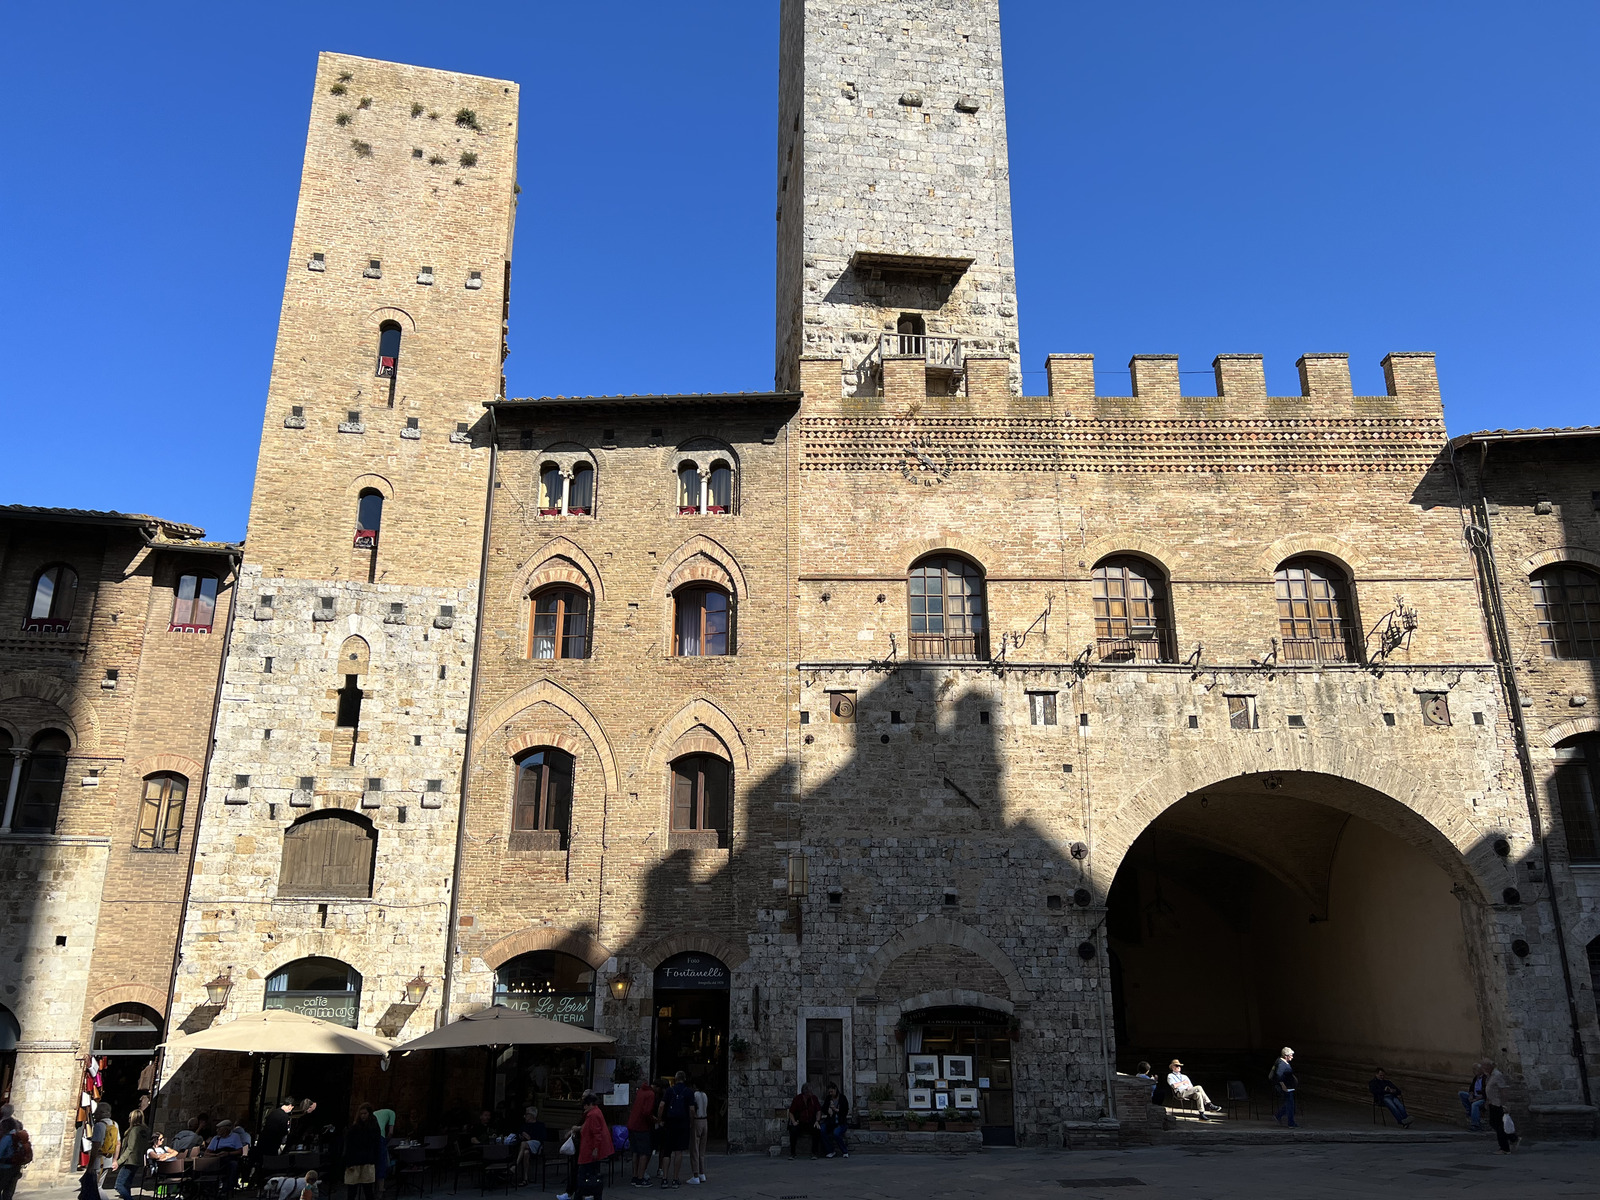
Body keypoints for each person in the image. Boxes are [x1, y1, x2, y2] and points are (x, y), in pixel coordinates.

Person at [569, 1091, 612, 1200]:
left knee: (583, 1174)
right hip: (589, 1148)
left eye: (585, 1106)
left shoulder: (593, 1115)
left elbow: (596, 1133)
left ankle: (582, 1195)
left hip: (588, 1149)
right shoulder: (596, 1112)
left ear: (588, 1105)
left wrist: (595, 1149)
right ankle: (590, 1194)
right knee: (590, 1173)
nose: (584, 1108)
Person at [659, 1071, 694, 1188]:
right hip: (682, 1123)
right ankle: (675, 1178)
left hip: (670, 1123)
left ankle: (664, 1178)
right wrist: (691, 1122)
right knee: (678, 1151)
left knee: (667, 1151)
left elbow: (661, 1105)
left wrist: (660, 1119)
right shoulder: (688, 1092)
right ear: (684, 1079)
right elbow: (692, 1109)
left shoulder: (669, 1090)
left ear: (675, 1079)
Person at [343, 1108, 382, 1200]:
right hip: (355, 1161)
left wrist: (375, 1160)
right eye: (361, 1114)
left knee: (368, 1190)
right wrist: (348, 1162)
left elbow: (376, 1144)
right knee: (352, 1190)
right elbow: (349, 1145)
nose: (363, 1116)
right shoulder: (354, 1128)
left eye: (365, 1113)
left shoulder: (374, 1127)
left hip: (368, 1160)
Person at [626, 1077, 658, 1187]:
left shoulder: (640, 1092)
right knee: (644, 1152)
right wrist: (654, 1120)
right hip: (641, 1126)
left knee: (635, 1151)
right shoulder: (650, 1094)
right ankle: (640, 1177)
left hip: (632, 1124)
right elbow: (646, 1112)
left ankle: (635, 1176)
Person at [114, 1111, 152, 1200]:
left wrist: (118, 1162)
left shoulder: (134, 1130)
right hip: (138, 1160)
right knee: (127, 1184)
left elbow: (130, 1148)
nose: (129, 1120)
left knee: (119, 1185)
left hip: (130, 1161)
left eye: (130, 1118)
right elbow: (146, 1146)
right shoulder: (145, 1131)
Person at [1484, 1059, 1519, 1154]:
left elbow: (1503, 1090)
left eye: (1485, 1066)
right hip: (1492, 1103)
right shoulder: (1489, 1076)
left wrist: (1504, 1104)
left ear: (1491, 1066)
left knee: (1499, 1126)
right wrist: (1487, 1101)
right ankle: (1513, 1138)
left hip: (1498, 1104)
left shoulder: (1497, 1075)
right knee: (1494, 1124)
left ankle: (1505, 1148)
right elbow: (1490, 1089)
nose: (1484, 1068)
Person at [206, 1120, 246, 1195]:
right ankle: (210, 1188)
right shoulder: (216, 1139)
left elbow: (240, 1151)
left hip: (230, 1157)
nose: (217, 1131)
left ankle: (228, 1188)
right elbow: (207, 1153)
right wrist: (215, 1155)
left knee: (233, 1165)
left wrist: (228, 1153)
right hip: (217, 1158)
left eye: (219, 1129)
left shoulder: (235, 1137)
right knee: (207, 1165)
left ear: (226, 1129)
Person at [514, 1107, 548, 1186]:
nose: (524, 1116)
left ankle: (515, 1165)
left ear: (532, 1115)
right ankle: (525, 1179)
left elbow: (542, 1138)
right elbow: (518, 1135)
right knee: (526, 1153)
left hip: (537, 1145)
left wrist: (530, 1137)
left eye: (526, 1114)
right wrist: (521, 1136)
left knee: (523, 1144)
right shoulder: (524, 1125)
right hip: (527, 1146)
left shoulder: (540, 1125)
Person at [787, 1083, 822, 1158]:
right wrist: (794, 1122)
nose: (811, 1093)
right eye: (810, 1092)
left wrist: (817, 1121)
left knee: (817, 1130)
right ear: (805, 1093)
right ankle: (792, 1153)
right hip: (800, 1122)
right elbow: (791, 1112)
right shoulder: (797, 1099)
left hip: (810, 1122)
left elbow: (818, 1110)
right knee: (793, 1131)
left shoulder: (814, 1098)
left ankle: (814, 1153)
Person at [92, 1103, 120, 1185]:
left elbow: (96, 1145)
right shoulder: (115, 1124)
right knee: (99, 1187)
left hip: (98, 1160)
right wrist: (115, 1160)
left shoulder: (99, 1125)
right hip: (108, 1160)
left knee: (94, 1188)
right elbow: (118, 1143)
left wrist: (90, 1164)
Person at [0, 1111, 26, 1200]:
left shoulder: (7, 1137)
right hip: (16, 1168)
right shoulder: (20, 1136)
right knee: (8, 1193)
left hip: (4, 1168)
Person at [1270, 1048, 1298, 1128]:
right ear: (1286, 1056)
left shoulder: (1285, 1062)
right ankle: (1290, 1123)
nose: (1292, 1057)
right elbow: (1279, 1076)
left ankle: (1278, 1115)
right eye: (1291, 1055)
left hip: (1289, 1086)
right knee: (1290, 1104)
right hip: (1285, 1087)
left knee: (1290, 1104)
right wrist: (1283, 1086)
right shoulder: (1282, 1064)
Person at [687, 1080, 709, 1186]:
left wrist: (691, 1122)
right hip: (705, 1121)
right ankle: (702, 1172)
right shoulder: (705, 1095)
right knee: (702, 1150)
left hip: (697, 1120)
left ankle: (695, 1175)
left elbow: (692, 1110)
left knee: (694, 1149)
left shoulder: (694, 1095)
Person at [822, 1082, 849, 1159]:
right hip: (830, 1122)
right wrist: (828, 1110)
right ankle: (830, 1150)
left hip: (841, 1122)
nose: (831, 1093)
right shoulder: (828, 1098)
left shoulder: (842, 1098)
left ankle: (844, 1151)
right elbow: (823, 1108)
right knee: (822, 1129)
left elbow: (845, 1112)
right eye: (829, 1092)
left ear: (836, 1090)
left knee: (836, 1133)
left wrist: (836, 1110)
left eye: (832, 1091)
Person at [1458, 1063, 1487, 1132]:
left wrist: (1476, 1099)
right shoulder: (1475, 1078)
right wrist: (1471, 1096)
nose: (1474, 1071)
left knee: (1475, 1104)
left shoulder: (1485, 1078)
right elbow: (1471, 1089)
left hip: (1482, 1099)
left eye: (1476, 1069)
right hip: (1475, 1096)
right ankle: (1469, 1110)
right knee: (1461, 1094)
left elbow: (1486, 1093)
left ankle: (1475, 1125)